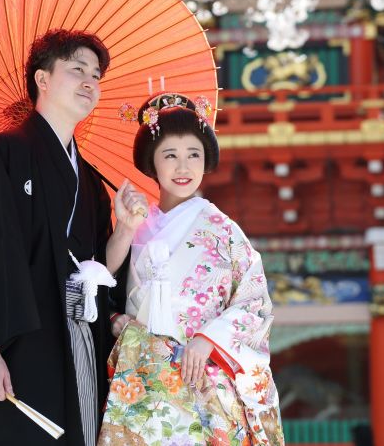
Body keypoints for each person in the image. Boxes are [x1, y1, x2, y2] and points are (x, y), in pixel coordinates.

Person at [0, 29, 143, 445]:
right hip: (18, 344)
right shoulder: (5, 153)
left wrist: (124, 228)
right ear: (42, 80)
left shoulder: (88, 179)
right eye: (77, 70)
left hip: (77, 336)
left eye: (97, 75)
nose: (90, 82)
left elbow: (99, 270)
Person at [98, 93, 285, 446]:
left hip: (204, 374)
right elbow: (104, 286)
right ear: (151, 163)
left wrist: (207, 339)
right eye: (170, 155)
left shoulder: (223, 229)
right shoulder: (136, 225)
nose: (183, 168)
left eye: (193, 155)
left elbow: (254, 302)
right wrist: (123, 229)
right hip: (143, 380)